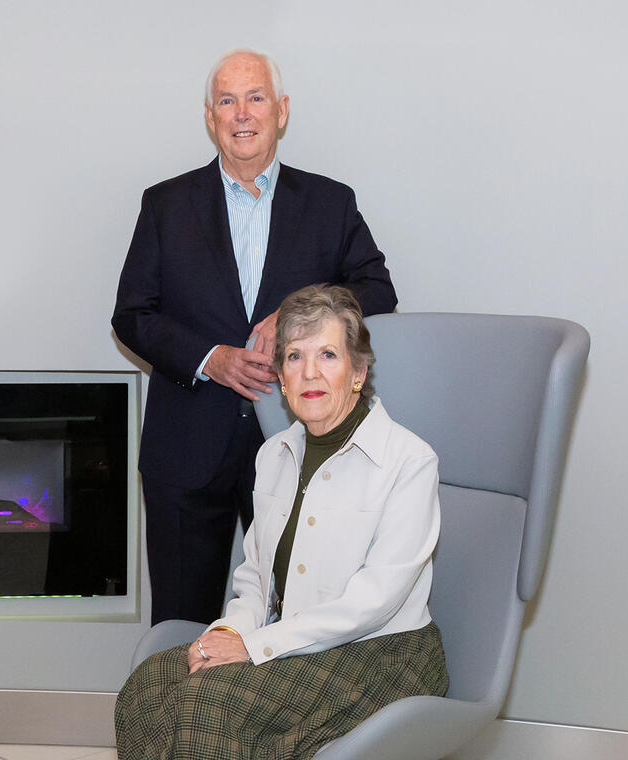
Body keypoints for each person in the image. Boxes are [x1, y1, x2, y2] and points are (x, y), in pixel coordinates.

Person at [111, 49, 398, 625]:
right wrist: (208, 358)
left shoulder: (330, 202)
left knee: (300, 624)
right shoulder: (165, 205)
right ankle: (178, 719)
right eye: (227, 100)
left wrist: (299, 316)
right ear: (211, 116)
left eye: (255, 97)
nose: (242, 114)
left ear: (281, 110)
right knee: (181, 626)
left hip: (303, 451)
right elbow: (131, 315)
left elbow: (378, 290)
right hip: (185, 455)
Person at [115, 285, 447, 759]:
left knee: (209, 703)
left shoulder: (409, 462)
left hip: (384, 653)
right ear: (282, 379)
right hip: (292, 639)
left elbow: (372, 604)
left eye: (328, 354)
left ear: (358, 371)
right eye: (294, 356)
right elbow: (255, 577)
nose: (310, 372)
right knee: (148, 687)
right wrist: (229, 633)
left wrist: (254, 647)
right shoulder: (274, 454)